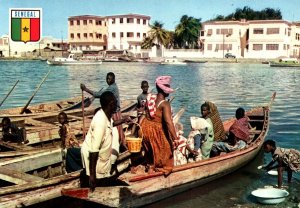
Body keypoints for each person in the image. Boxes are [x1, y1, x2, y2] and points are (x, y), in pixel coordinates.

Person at [140, 75, 179, 176]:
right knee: (167, 149)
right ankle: (160, 168)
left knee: (150, 149)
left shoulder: (150, 98)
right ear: (165, 91)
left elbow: (145, 113)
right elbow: (168, 123)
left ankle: (150, 164)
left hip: (145, 128)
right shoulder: (165, 104)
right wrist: (175, 139)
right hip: (155, 131)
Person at [80, 72, 126, 148]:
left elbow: (99, 94)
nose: (107, 80)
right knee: (116, 130)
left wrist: (86, 89)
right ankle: (119, 144)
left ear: (113, 79)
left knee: (115, 130)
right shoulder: (112, 87)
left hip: (115, 112)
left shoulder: (112, 88)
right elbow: (100, 93)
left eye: (109, 79)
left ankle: (119, 145)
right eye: (107, 79)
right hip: (115, 111)